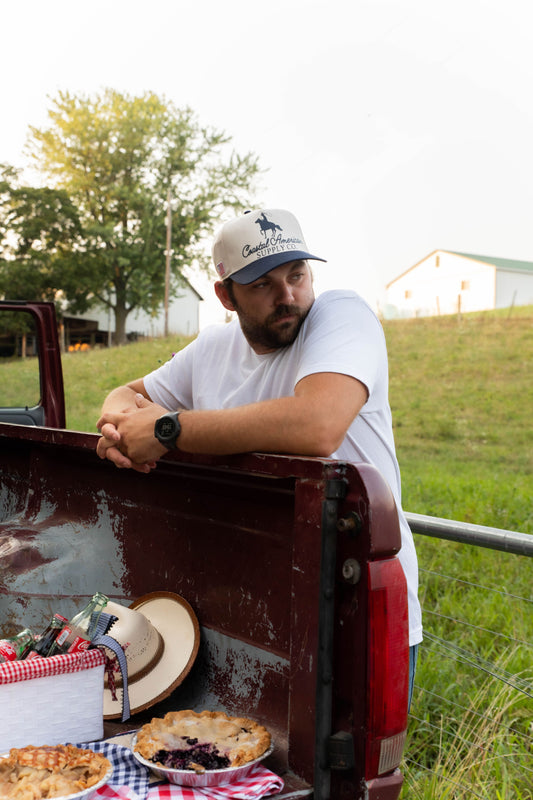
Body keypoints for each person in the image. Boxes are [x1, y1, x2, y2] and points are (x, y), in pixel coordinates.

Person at [96, 207, 422, 704]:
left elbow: (318, 426)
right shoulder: (212, 348)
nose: (288, 295)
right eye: (263, 284)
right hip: (252, 607)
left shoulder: (342, 315)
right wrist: (116, 429)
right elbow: (123, 394)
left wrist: (167, 429)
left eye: (297, 275)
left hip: (353, 599)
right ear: (225, 295)